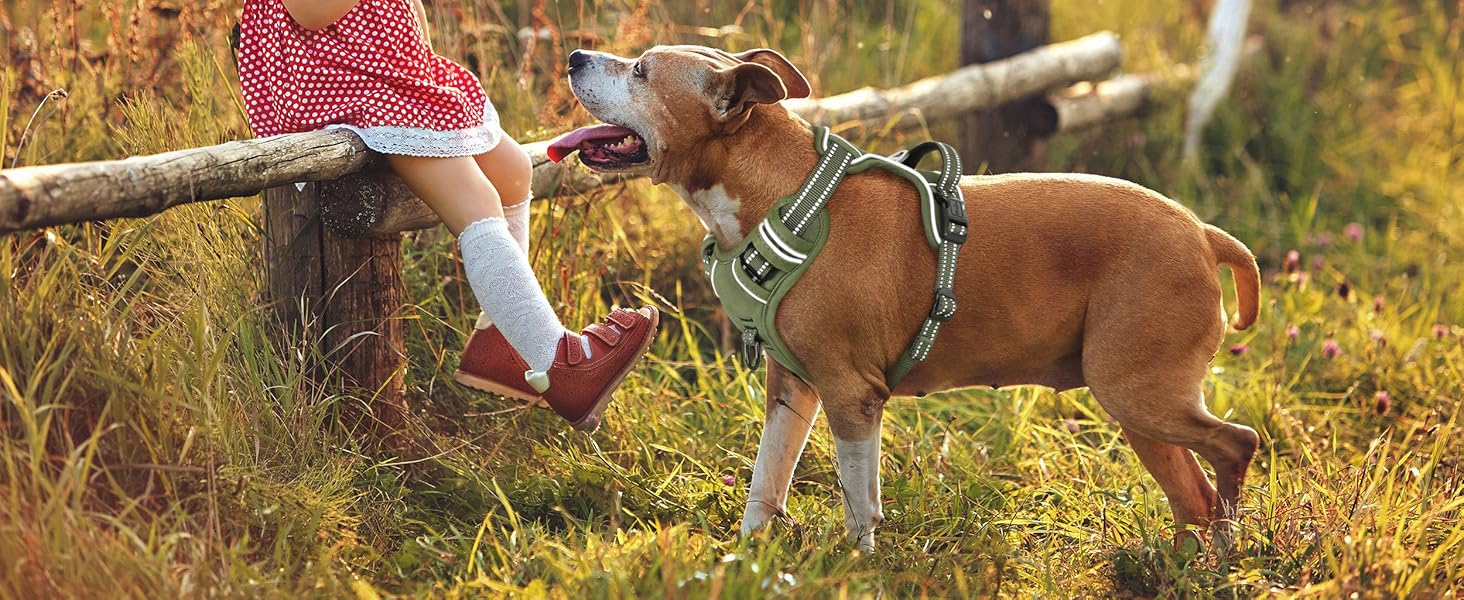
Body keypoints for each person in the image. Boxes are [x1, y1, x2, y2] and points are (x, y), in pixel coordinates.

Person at [236, 0, 658, 432]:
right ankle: (559, 365)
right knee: (476, 202)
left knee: (513, 172)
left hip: (394, 75)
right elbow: (310, 14)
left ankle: (505, 342)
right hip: (341, 84)